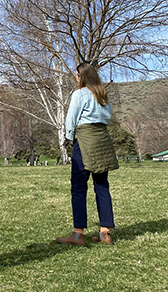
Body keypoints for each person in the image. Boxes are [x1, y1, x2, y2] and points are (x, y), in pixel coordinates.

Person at [56, 62, 119, 246]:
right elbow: (107, 118)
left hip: (84, 140)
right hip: (103, 140)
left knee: (78, 187)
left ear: (81, 76)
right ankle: (105, 233)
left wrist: (69, 138)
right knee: (102, 186)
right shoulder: (103, 95)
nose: (76, 78)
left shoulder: (80, 93)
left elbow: (71, 119)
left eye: (77, 75)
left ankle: (78, 235)